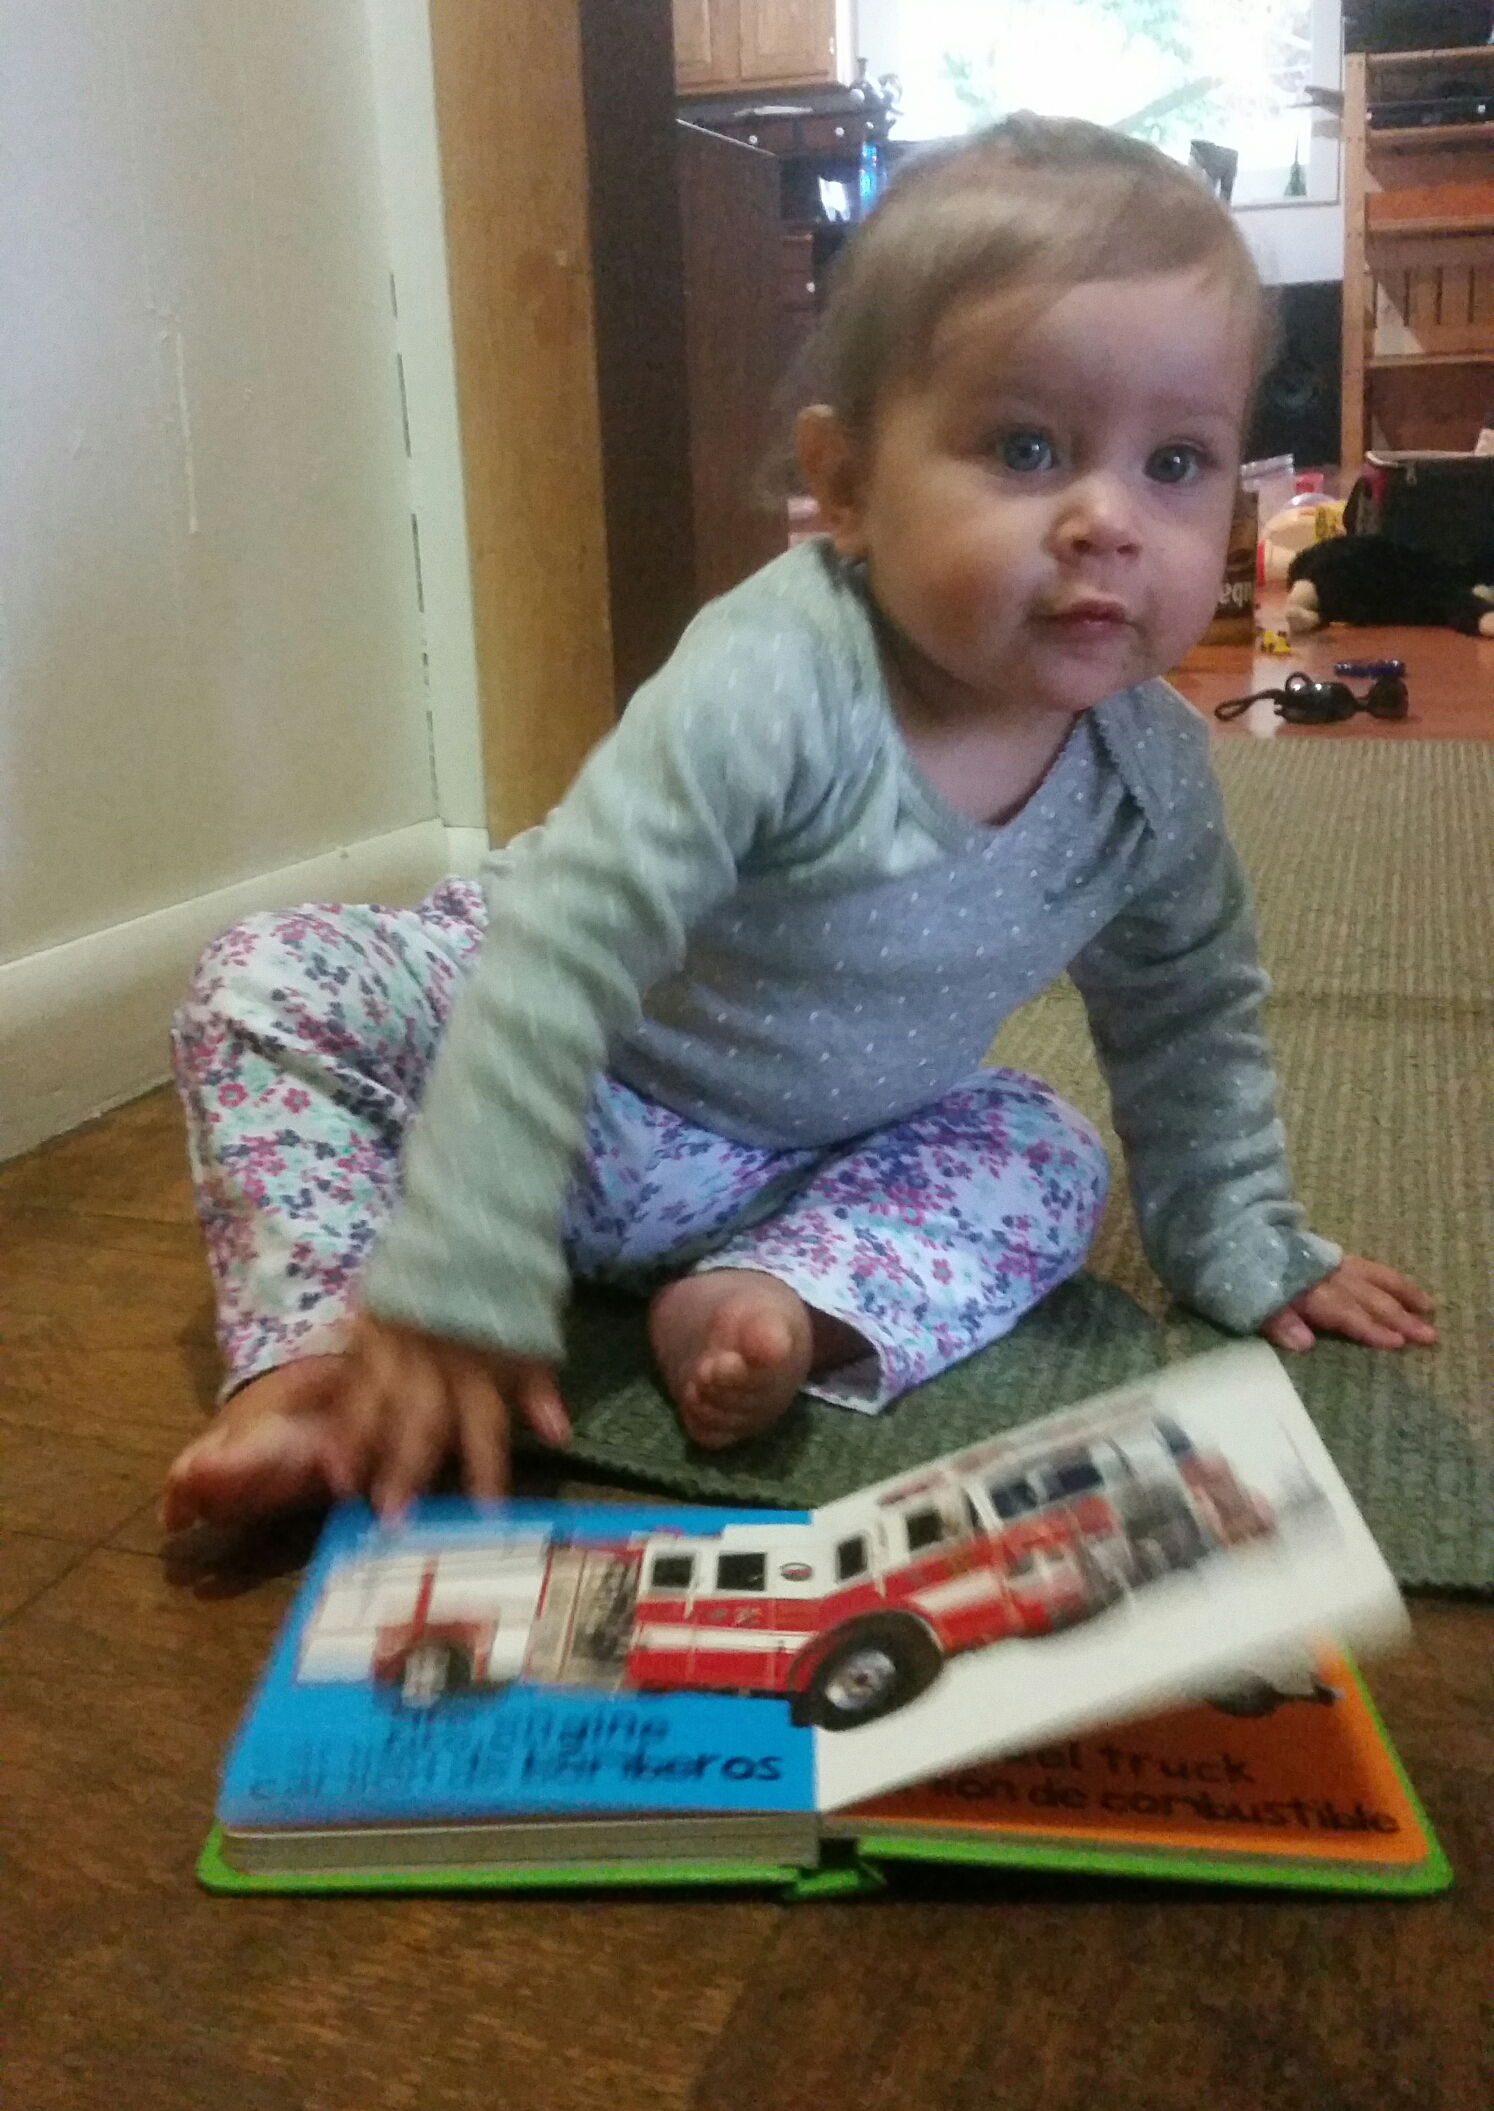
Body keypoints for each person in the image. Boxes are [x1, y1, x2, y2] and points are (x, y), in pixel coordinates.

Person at [162, 116, 1435, 1535]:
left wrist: (1241, 1236)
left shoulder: (1151, 774)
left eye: (1177, 462)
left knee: (1045, 1147)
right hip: (550, 1073)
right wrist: (461, 1258)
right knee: (268, 978)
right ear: (845, 488)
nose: (1109, 520)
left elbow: (1186, 1011)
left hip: (801, 1156)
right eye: (1026, 447)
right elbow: (564, 950)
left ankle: (767, 1295)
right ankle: (322, 1357)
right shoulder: (777, 676)